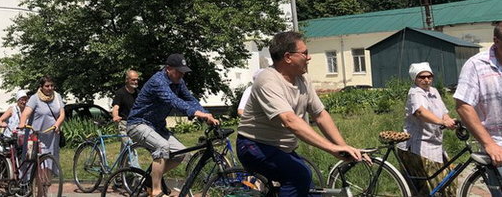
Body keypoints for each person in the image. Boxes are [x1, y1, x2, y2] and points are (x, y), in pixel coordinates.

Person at [237, 31, 362, 197]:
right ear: (288, 57)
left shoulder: (303, 79)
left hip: (280, 148)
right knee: (299, 176)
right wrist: (331, 148)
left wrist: (343, 146)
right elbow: (290, 120)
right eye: (305, 53)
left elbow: (320, 115)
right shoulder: (267, 80)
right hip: (254, 146)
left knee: (310, 190)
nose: (309, 57)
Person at [127, 53, 219, 197]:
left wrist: (206, 114)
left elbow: (189, 99)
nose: (181, 75)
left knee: (181, 153)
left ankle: (151, 179)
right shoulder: (157, 81)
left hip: (157, 127)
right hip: (138, 124)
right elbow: (173, 101)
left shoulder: (179, 81)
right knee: (162, 146)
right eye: (178, 72)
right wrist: (197, 113)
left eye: (183, 72)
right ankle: (156, 191)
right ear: (168, 69)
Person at [455, 21, 502, 194]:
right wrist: (489, 144)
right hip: (501, 155)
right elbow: (463, 105)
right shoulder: (476, 65)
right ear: (496, 41)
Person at [396, 62, 457, 196]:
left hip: (434, 143)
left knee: (448, 182)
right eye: (421, 77)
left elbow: (443, 112)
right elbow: (420, 112)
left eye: (429, 77)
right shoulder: (415, 92)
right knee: (429, 188)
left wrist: (448, 120)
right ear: (415, 79)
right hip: (419, 145)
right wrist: (441, 122)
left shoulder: (434, 91)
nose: (426, 80)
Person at [18, 76, 65, 171]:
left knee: (51, 162)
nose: (50, 88)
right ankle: (38, 184)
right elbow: (26, 113)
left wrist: (57, 124)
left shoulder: (57, 97)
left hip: (52, 135)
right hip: (38, 136)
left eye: (52, 86)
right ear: (41, 87)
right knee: (40, 164)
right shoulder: (35, 98)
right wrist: (22, 123)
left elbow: (62, 114)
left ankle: (46, 184)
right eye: (47, 86)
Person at [112, 69, 139, 144]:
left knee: (126, 149)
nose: (136, 82)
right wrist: (115, 116)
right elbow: (116, 107)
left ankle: (122, 156)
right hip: (124, 123)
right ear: (127, 80)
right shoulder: (120, 93)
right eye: (133, 80)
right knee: (129, 146)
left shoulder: (138, 93)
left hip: (134, 123)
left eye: (137, 80)